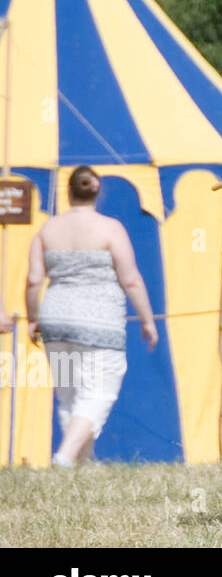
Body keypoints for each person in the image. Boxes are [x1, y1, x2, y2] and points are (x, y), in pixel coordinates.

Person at [25, 166, 158, 466]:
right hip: (100, 323)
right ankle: (66, 456)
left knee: (69, 394)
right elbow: (132, 280)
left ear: (68, 191)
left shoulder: (47, 229)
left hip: (56, 322)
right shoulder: (110, 229)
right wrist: (147, 319)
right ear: (98, 191)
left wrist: (33, 317)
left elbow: (34, 279)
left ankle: (76, 467)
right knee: (98, 391)